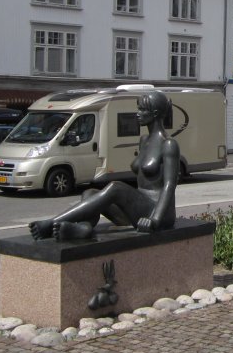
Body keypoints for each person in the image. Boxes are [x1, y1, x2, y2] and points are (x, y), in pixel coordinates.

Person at [29, 91, 178, 241]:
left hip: (156, 211)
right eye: (138, 108)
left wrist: (155, 220)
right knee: (89, 194)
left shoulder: (168, 144)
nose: (137, 113)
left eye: (142, 110)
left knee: (116, 187)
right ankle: (84, 228)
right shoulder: (144, 140)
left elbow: (169, 186)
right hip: (138, 209)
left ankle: (51, 223)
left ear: (156, 113)